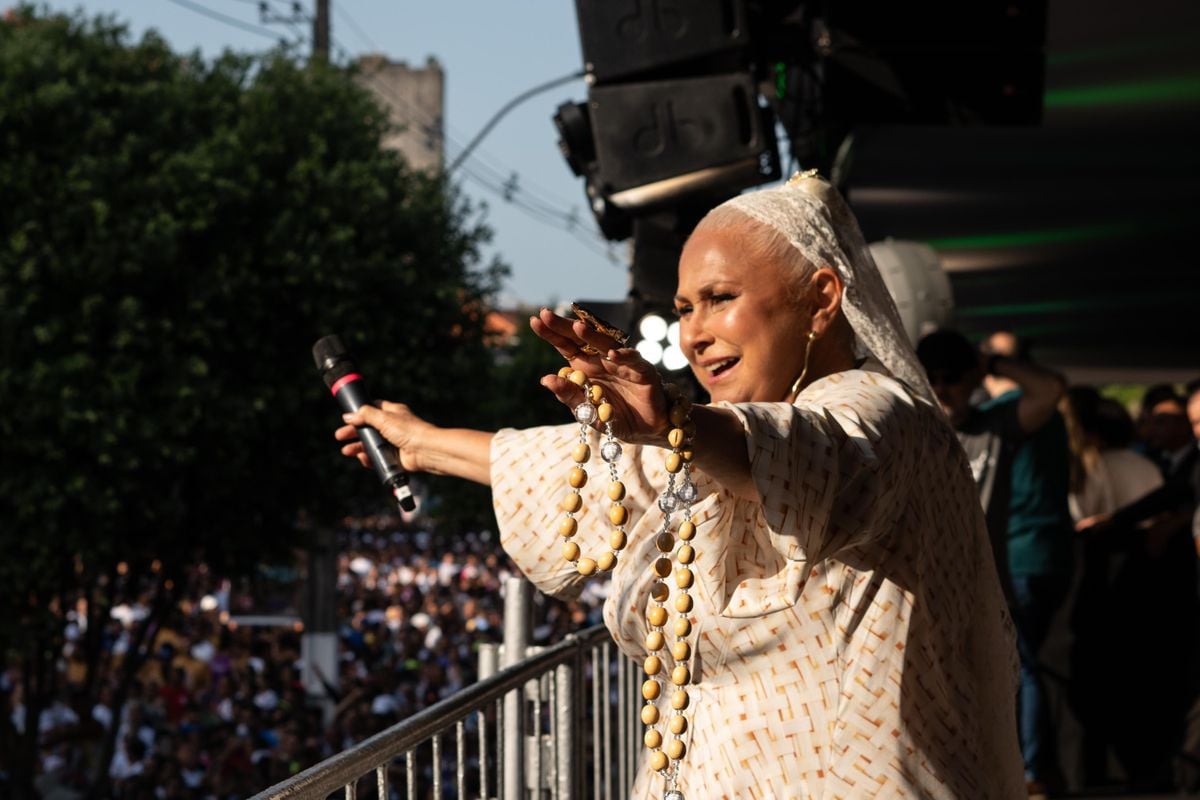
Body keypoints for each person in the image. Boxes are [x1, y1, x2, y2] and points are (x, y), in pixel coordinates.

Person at [336, 174, 1024, 799]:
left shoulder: (881, 416)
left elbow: (812, 456)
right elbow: (589, 462)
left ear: (820, 299)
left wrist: (674, 421)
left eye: (720, 299)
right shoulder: (711, 444)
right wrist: (421, 443)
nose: (693, 334)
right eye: (684, 308)